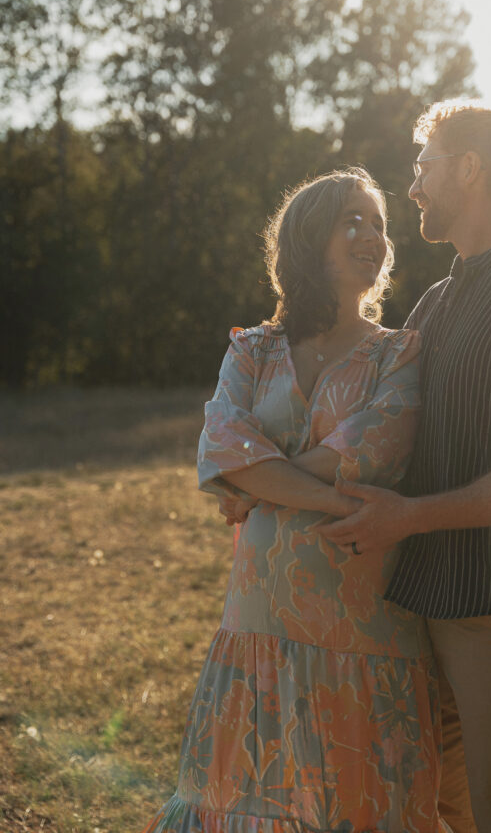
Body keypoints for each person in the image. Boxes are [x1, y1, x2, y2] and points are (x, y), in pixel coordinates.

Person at [319, 105, 491, 833]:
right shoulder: (438, 302)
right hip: (429, 602)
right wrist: (255, 481)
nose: (412, 187)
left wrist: (410, 517)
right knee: (442, 812)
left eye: (423, 166)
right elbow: (382, 431)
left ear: (468, 169)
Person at [143, 167, 449, 833]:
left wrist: (262, 482)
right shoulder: (252, 349)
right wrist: (323, 499)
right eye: (352, 220)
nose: (371, 235)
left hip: (361, 620)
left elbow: (371, 450)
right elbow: (223, 447)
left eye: (378, 224)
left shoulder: (398, 354)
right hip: (258, 620)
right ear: (308, 241)